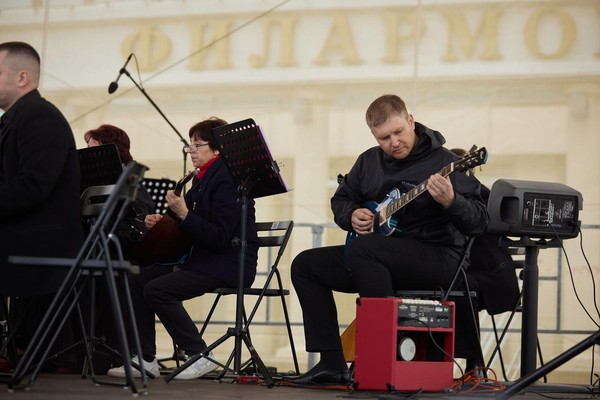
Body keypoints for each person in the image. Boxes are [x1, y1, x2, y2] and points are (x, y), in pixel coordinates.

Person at [286, 94, 489, 385]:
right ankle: (332, 362)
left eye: (398, 132)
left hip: (439, 258)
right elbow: (342, 198)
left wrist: (452, 201)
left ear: (410, 121)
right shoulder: (368, 161)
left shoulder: (447, 163)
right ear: (373, 135)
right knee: (306, 265)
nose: (393, 142)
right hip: (378, 258)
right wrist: (351, 213)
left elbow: (480, 223)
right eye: (384, 138)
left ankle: (379, 356)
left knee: (365, 249)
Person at [107, 116, 259, 380]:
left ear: (218, 148)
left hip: (227, 262)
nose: (191, 150)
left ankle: (200, 355)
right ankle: (145, 358)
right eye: (190, 145)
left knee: (157, 289)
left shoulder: (227, 178)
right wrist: (166, 220)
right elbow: (186, 223)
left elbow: (220, 236)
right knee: (137, 279)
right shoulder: (202, 178)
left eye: (197, 145)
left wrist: (184, 214)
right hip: (203, 259)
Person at [0, 41, 84, 370]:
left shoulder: (39, 117)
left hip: (38, 243)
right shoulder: (18, 118)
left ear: (22, 77)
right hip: (20, 234)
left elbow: (33, 187)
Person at [83, 124, 155, 260]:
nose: (89, 156)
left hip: (121, 251)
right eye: (88, 150)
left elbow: (138, 222)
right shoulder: (90, 181)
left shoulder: (129, 181)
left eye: (95, 150)